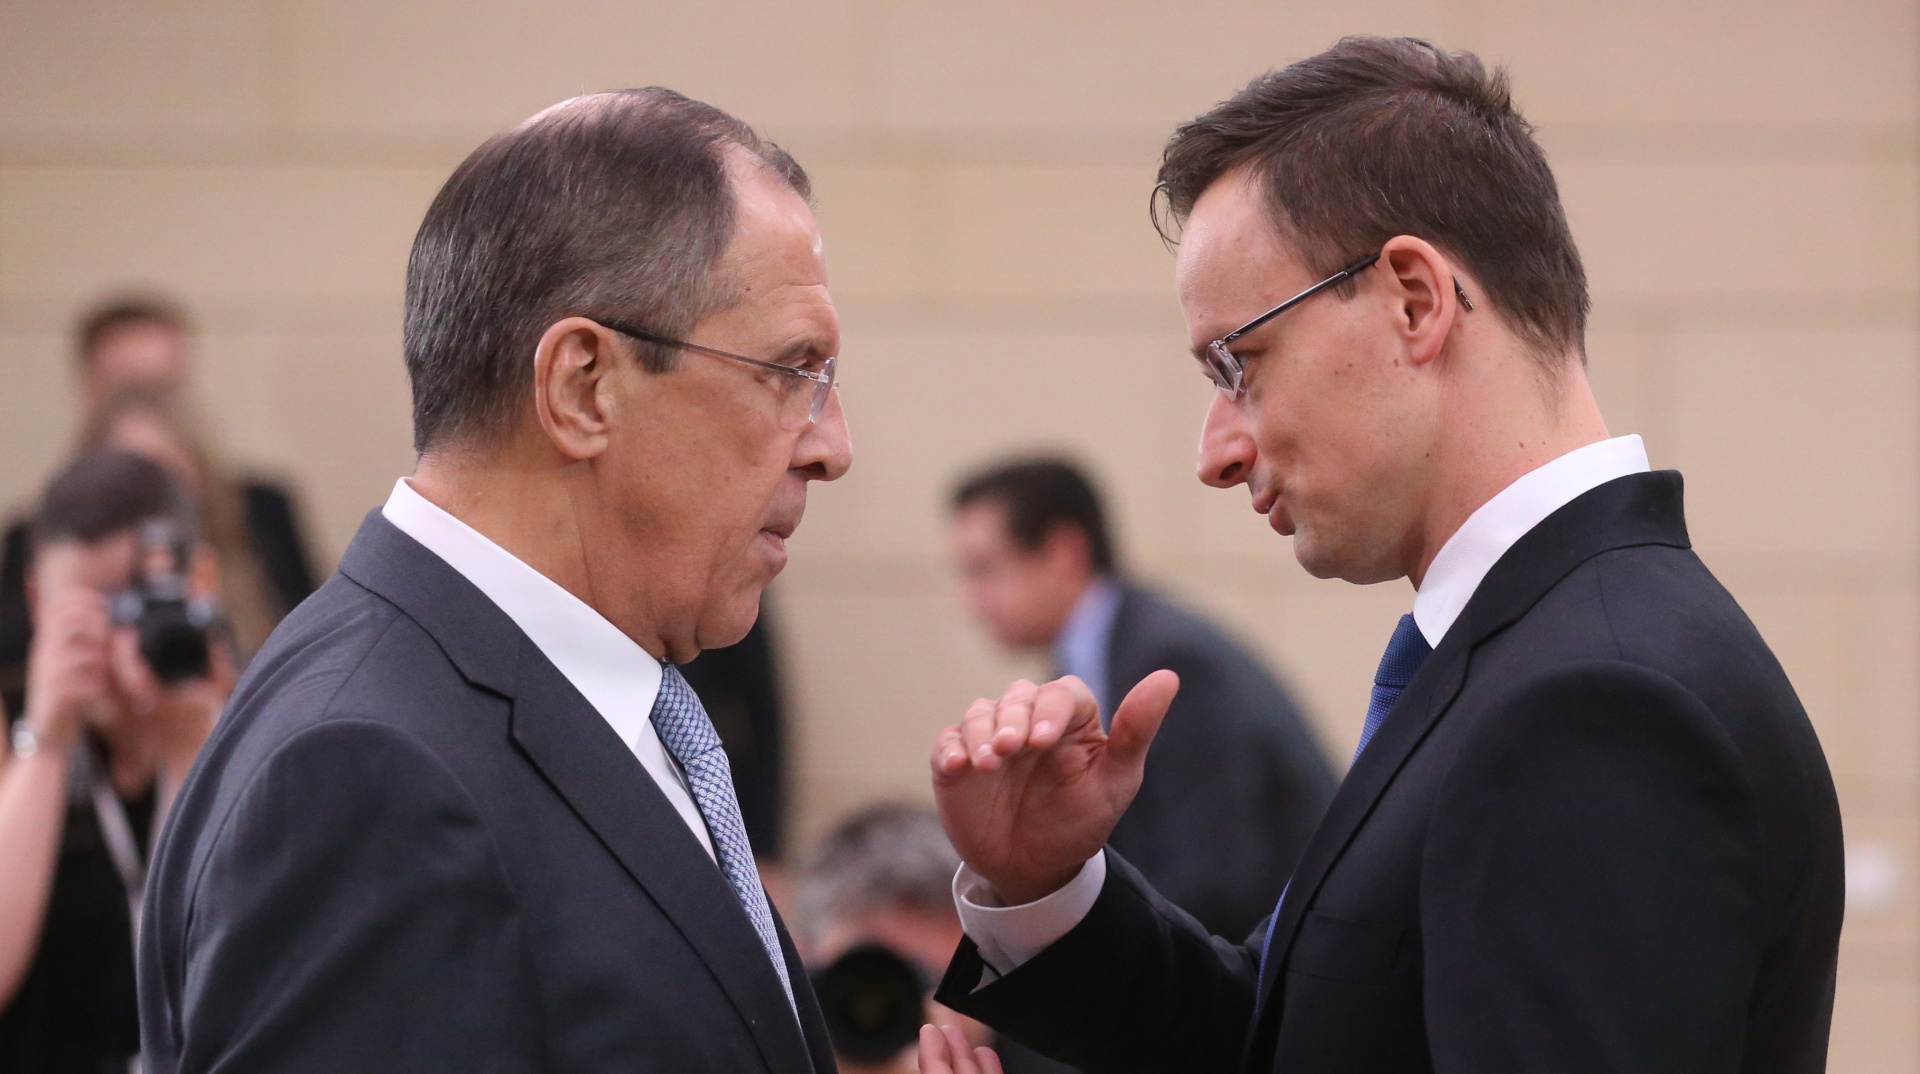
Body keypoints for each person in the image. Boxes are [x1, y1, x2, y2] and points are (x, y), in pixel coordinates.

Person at [919, 37, 1843, 1074]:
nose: (1216, 454)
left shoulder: (1596, 703)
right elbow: (1292, 1035)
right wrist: (1046, 887)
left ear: (1414, 299)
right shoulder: (1547, 656)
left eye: (1239, 362)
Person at [138, 88, 852, 1073]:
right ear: (583, 387)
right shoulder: (366, 775)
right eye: (792, 370)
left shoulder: (567, 697)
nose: (832, 447)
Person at [950, 457, 1334, 939]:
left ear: (1064, 553)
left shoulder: (1169, 663)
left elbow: (1211, 882)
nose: (970, 603)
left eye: (984, 570)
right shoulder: (1097, 658)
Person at [0, 449, 231, 1072]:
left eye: (138, 604)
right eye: (91, 609)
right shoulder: (10, 723)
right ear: (37, 599)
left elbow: (243, 969)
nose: (119, 637)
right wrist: (47, 740)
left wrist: (190, 746)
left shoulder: (244, 711)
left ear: (199, 582)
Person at [0, 303, 320, 717]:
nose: (146, 403)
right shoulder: (44, 540)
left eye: (166, 387)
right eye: (125, 387)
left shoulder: (260, 515)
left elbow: (316, 655)